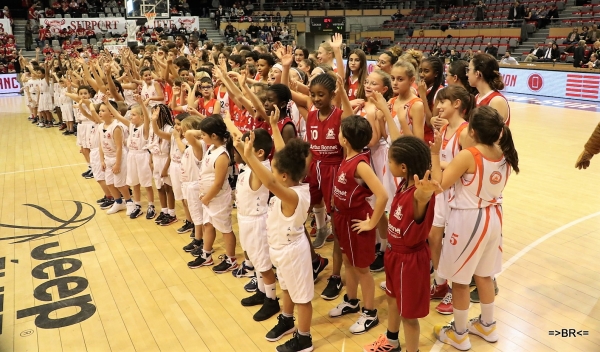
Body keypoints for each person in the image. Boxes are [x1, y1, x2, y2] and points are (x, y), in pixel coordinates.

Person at [431, 106, 519, 351]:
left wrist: (435, 153)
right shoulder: (504, 152)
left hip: (469, 220)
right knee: (484, 275)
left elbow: (438, 185)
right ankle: (487, 325)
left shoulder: (468, 155)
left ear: (472, 130)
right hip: (493, 216)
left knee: (459, 281)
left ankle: (459, 334)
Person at [363, 136, 437, 352]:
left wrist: (424, 196)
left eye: (390, 161)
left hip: (410, 260)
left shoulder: (418, 193)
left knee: (409, 316)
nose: (387, 164)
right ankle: (391, 341)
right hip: (395, 255)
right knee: (392, 299)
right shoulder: (404, 184)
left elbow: (421, 201)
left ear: (403, 167)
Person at [243, 133, 315, 352]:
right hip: (280, 250)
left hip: (292, 251)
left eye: (273, 169)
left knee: (302, 298)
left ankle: (304, 339)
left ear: (284, 176)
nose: (271, 172)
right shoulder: (291, 184)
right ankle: (287, 319)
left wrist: (249, 157)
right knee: (286, 288)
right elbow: (279, 172)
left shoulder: (294, 196)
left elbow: (271, 181)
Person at [328, 115, 388, 334]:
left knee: (362, 269)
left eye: (340, 131)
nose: (338, 133)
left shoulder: (361, 164)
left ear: (345, 139)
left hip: (356, 220)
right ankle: (352, 301)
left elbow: (382, 195)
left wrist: (371, 223)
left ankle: (370, 312)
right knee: (347, 261)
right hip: (342, 218)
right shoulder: (347, 156)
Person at [191, 115, 238, 274]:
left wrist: (207, 197)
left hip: (218, 198)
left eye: (204, 134)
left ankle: (231, 259)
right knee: (208, 225)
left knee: (225, 229)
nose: (201, 137)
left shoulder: (223, 156)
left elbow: (218, 183)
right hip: (209, 197)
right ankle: (206, 254)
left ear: (214, 136)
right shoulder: (211, 148)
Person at [103, 95, 155, 219]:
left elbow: (147, 118)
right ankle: (137, 205)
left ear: (141, 117)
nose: (130, 117)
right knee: (134, 184)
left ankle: (151, 206)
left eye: (133, 115)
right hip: (132, 156)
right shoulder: (131, 126)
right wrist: (108, 103)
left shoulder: (145, 128)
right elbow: (118, 116)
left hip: (142, 157)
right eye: (130, 115)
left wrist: (142, 104)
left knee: (147, 184)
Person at [468, 53, 510, 125]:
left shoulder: (496, 101)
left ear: (477, 73)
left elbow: (494, 134)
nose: (467, 74)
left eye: (468, 70)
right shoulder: (477, 97)